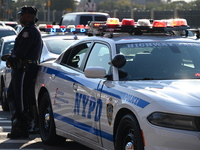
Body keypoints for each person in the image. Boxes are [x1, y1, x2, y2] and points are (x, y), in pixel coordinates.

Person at [6, 6, 43, 139]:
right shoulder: (30, 30)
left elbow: (22, 51)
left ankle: (22, 128)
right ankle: (19, 126)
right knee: (12, 96)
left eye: (21, 14)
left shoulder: (29, 31)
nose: (19, 16)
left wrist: (12, 58)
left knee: (20, 100)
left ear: (28, 15)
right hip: (21, 69)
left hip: (24, 70)